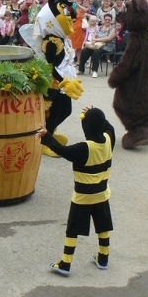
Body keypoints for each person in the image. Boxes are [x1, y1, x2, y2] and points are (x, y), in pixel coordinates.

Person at [39, 107, 115, 275]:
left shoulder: (84, 148)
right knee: (103, 227)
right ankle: (103, 258)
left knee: (72, 230)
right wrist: (98, 115)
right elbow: (109, 128)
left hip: (83, 197)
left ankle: (65, 263)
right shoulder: (109, 140)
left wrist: (46, 137)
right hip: (102, 194)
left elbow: (62, 150)